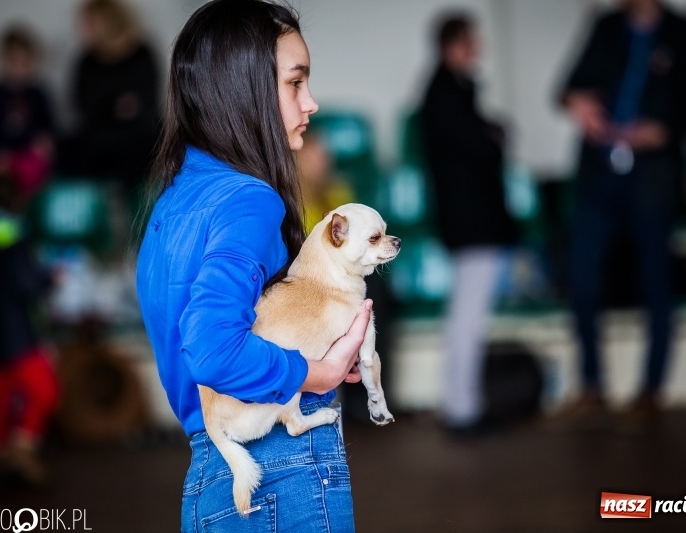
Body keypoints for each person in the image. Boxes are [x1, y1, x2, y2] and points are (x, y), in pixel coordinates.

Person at [135, 1, 370, 530]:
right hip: (278, 473)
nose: (310, 103)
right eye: (295, 83)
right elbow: (214, 347)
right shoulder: (250, 200)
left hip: (209, 476)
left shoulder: (171, 204)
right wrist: (315, 373)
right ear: (246, 92)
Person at [556, 0, 686, 430]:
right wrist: (579, 104)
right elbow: (566, 87)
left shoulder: (685, 34)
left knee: (656, 281)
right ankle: (592, 386)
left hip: (653, 177)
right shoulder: (606, 26)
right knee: (582, 279)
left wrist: (661, 130)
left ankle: (650, 390)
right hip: (599, 174)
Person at [420, 13, 520, 435]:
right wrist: (493, 135)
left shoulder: (451, 91)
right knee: (467, 319)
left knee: (467, 318)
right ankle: (463, 410)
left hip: (471, 223)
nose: (476, 49)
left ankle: (467, 406)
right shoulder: (446, 94)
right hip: (471, 223)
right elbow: (482, 149)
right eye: (469, 42)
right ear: (452, 45)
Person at [0, 175, 59, 485]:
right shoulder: (11, 231)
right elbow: (23, 282)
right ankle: (21, 448)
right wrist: (50, 279)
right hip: (14, 332)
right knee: (44, 390)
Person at [59, 0, 159, 194]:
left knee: (149, 144)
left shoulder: (141, 53)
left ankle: (134, 204)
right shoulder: (86, 60)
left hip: (136, 133)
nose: (82, 30)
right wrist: (116, 106)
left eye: (88, 23)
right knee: (70, 148)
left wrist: (110, 106)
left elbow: (147, 102)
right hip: (98, 134)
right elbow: (82, 106)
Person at [0, 24, 55, 201]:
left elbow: (48, 129)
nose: (19, 67)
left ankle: (26, 209)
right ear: (3, 60)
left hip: (27, 156)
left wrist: (43, 143)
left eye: (24, 61)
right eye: (14, 61)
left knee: (37, 164)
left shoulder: (38, 93)